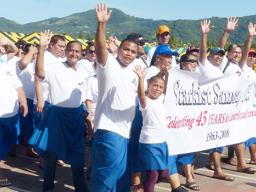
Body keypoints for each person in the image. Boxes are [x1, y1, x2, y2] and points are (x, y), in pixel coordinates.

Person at [30, 31, 89, 192]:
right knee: (51, 156)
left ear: (81, 54)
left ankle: (81, 188)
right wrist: (42, 48)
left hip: (76, 118)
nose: (74, 53)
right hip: (56, 117)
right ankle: (47, 187)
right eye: (71, 50)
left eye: (77, 51)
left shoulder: (83, 72)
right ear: (66, 51)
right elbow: (40, 73)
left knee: (78, 156)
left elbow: (83, 97)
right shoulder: (55, 68)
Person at [91, 4, 139, 192]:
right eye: (126, 49)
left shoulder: (136, 71)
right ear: (119, 49)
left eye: (133, 51)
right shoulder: (108, 64)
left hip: (125, 133)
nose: (128, 53)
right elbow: (100, 46)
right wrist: (101, 24)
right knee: (105, 178)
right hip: (108, 130)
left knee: (119, 179)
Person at [198, 19, 235, 181]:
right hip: (204, 111)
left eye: (221, 55)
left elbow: (222, 46)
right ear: (210, 56)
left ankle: (216, 168)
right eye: (216, 54)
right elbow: (203, 51)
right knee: (199, 142)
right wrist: (204, 35)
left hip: (218, 111)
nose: (219, 57)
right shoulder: (204, 64)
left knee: (217, 139)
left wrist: (227, 33)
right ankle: (190, 168)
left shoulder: (219, 69)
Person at [0, 61, 28, 187]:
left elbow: (19, 87)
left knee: (7, 143)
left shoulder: (5, 66)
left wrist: (23, 102)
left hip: (11, 114)